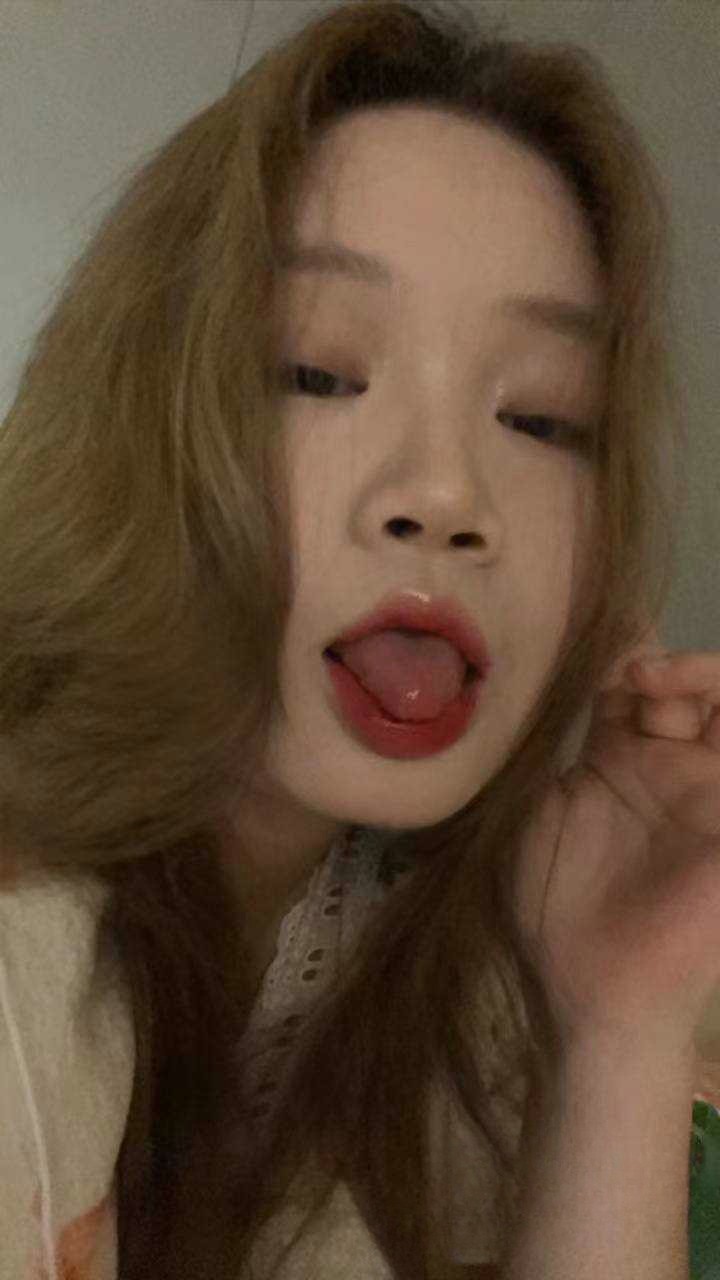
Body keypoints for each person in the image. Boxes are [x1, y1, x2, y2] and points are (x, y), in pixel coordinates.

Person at [0, 1, 717, 1277]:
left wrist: (624, 1026)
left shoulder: (443, 941)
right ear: (134, 422)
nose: (445, 495)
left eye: (542, 416)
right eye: (320, 372)